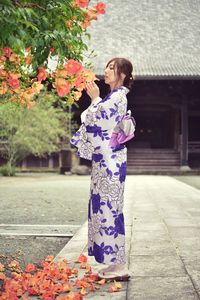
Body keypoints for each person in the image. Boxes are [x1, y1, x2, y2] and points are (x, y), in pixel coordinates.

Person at [70, 57, 134, 281]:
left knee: (110, 210)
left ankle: (120, 266)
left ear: (122, 74)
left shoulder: (117, 97)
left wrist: (95, 99)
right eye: (106, 67)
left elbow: (97, 121)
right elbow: (94, 119)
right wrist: (97, 100)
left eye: (111, 68)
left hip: (110, 163)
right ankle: (115, 264)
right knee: (106, 210)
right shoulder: (114, 97)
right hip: (106, 160)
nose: (106, 71)